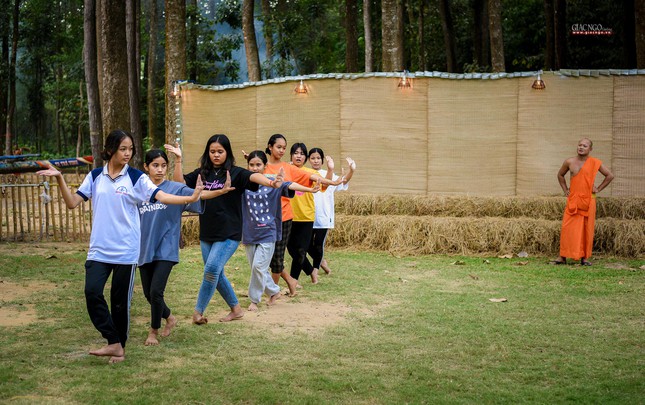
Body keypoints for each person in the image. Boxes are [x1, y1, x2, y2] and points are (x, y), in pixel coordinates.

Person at [36, 129, 203, 363]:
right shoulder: (95, 176)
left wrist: (190, 198)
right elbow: (73, 202)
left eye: (130, 149)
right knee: (92, 292)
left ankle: (118, 346)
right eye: (123, 149)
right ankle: (112, 339)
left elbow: (162, 197)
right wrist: (59, 178)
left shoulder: (136, 177)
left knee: (119, 302)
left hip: (126, 250)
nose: (127, 153)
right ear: (110, 149)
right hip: (99, 249)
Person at [167, 134, 283, 325]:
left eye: (220, 151)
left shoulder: (236, 172)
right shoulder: (202, 173)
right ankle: (236, 309)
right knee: (216, 273)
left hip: (230, 233)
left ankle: (198, 311)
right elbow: (180, 185)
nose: (216, 155)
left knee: (212, 269)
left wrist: (271, 183)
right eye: (212, 151)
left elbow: (253, 176)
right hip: (207, 232)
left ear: (227, 152)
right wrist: (178, 160)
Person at [261, 134, 344, 293]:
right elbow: (252, 172)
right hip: (266, 217)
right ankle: (290, 280)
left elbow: (312, 177)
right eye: (279, 147)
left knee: (289, 252)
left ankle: (280, 287)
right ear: (270, 147)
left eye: (284, 148)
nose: (282, 150)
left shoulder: (289, 169)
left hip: (292, 217)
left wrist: (333, 181)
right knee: (271, 254)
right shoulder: (264, 166)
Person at [138, 149, 204, 346]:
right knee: (148, 294)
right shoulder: (139, 189)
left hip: (166, 248)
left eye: (163, 166)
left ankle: (153, 332)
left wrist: (219, 191)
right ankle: (169, 318)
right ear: (146, 167)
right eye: (155, 165)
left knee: (156, 292)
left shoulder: (174, 188)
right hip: (143, 248)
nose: (159, 170)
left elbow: (197, 195)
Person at [242, 150, 319, 311]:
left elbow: (289, 184)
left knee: (258, 267)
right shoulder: (243, 180)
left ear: (265, 166)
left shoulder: (272, 180)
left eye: (258, 165)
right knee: (255, 267)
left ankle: (254, 300)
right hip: (249, 232)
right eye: (251, 164)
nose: (255, 168)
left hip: (268, 231)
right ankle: (274, 291)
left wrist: (309, 189)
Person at [552, 138, 614, 266]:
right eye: (579, 145)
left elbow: (610, 176)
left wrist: (598, 188)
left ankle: (585, 258)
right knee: (567, 228)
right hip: (573, 199)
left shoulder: (595, 162)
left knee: (586, 229)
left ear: (590, 149)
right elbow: (560, 175)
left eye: (585, 146)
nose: (581, 147)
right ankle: (562, 256)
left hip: (588, 200)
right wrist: (565, 190)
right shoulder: (569, 161)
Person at [302, 148, 356, 279]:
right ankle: (322, 262)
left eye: (318, 158)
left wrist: (352, 170)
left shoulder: (328, 174)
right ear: (309, 160)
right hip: (308, 215)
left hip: (324, 216)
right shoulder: (306, 173)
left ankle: (315, 270)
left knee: (318, 244)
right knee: (307, 244)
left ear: (322, 160)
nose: (315, 161)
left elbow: (343, 182)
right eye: (313, 158)